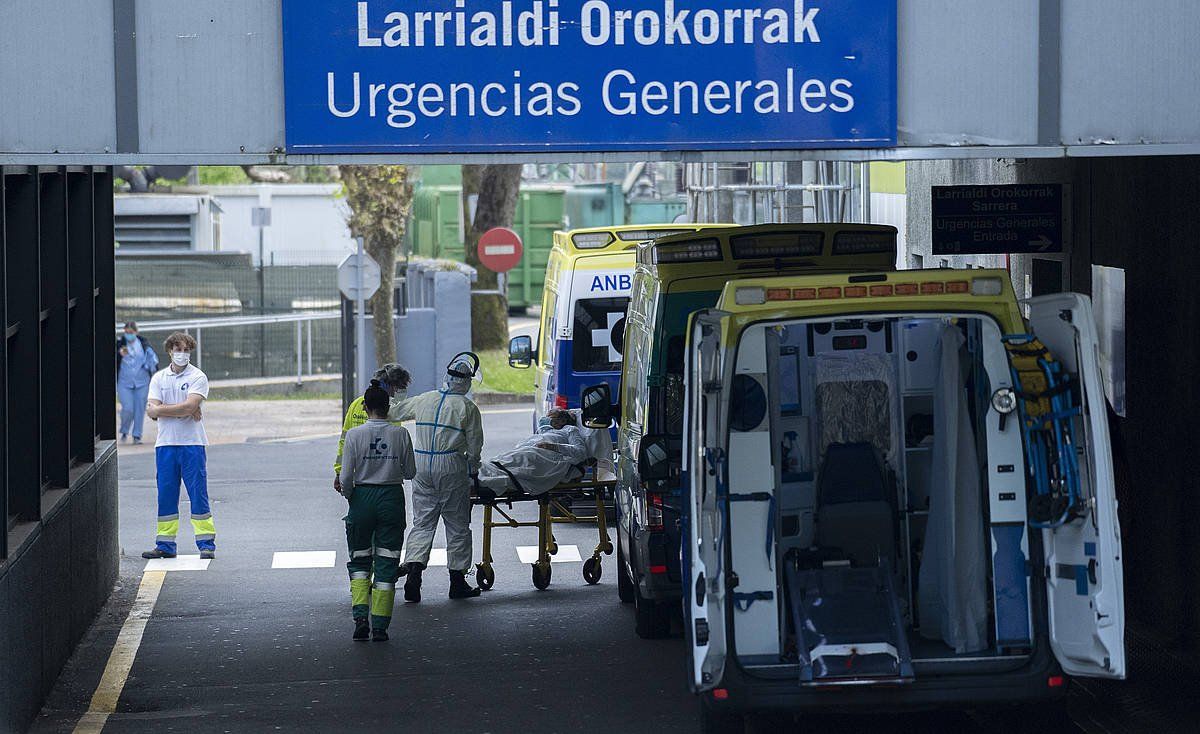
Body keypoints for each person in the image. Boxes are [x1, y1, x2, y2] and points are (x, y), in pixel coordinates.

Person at [390, 353, 484, 602]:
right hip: (451, 465)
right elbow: (475, 447)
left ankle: (413, 575)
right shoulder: (467, 408)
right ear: (466, 382)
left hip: (421, 464)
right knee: (457, 524)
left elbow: (394, 413)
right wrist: (473, 470)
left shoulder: (425, 399)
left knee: (422, 522)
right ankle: (457, 581)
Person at [338, 380, 417, 641]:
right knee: (387, 562)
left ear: (365, 406)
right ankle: (381, 626)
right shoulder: (400, 434)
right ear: (388, 408)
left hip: (362, 497)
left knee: (360, 560)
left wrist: (353, 498)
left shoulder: (354, 435)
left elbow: (346, 476)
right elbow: (411, 472)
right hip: (391, 498)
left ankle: (360, 617)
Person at [142, 332, 215, 560]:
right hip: (165, 444)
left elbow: (182, 407)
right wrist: (182, 408)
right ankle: (165, 544)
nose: (182, 354)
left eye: (186, 350)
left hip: (192, 444)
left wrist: (167, 409)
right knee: (166, 494)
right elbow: (152, 412)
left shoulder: (198, 377)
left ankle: (206, 544)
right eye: (177, 349)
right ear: (169, 351)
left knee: (198, 493)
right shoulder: (159, 378)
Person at [334, 363, 411, 494]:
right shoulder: (390, 409)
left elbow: (344, 442)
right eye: (400, 387)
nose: (402, 392)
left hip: (357, 477)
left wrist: (339, 471)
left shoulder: (356, 404)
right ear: (390, 386)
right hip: (383, 481)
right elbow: (395, 449)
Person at [116, 321, 159, 444]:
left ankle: (137, 435)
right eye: (126, 333)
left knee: (140, 408)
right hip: (125, 382)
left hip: (142, 382)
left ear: (136, 332)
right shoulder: (119, 344)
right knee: (128, 408)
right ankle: (124, 429)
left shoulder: (144, 344)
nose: (128, 335)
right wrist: (119, 355)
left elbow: (152, 361)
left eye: (131, 332)